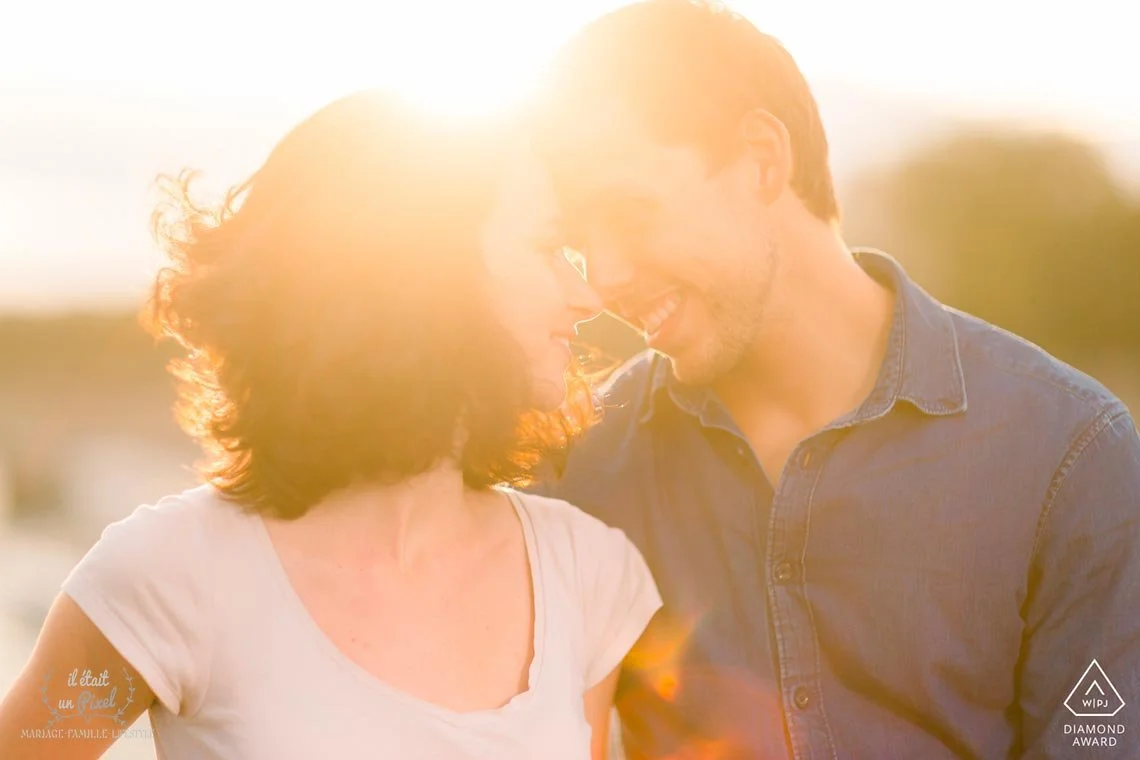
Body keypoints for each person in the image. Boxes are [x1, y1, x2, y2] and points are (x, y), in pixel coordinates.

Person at [525, 1, 1140, 758]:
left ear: (761, 159)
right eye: (579, 244)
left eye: (628, 212)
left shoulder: (1069, 454)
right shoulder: (581, 468)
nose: (605, 277)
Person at [0, 90, 662, 760]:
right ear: (423, 273)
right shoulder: (166, 577)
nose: (586, 296)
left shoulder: (583, 573)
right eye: (549, 248)